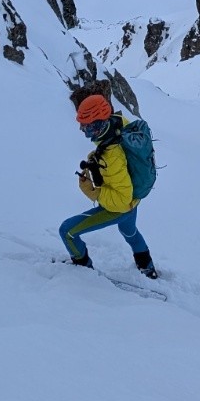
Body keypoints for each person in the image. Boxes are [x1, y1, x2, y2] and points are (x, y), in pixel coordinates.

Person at [58, 93, 159, 278]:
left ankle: (82, 269)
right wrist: (96, 158)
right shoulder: (119, 123)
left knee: (67, 231)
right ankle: (147, 266)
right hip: (134, 200)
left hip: (121, 207)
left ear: (98, 125)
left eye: (88, 127)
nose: (85, 131)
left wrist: (94, 191)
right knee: (129, 231)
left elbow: (121, 200)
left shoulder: (111, 157)